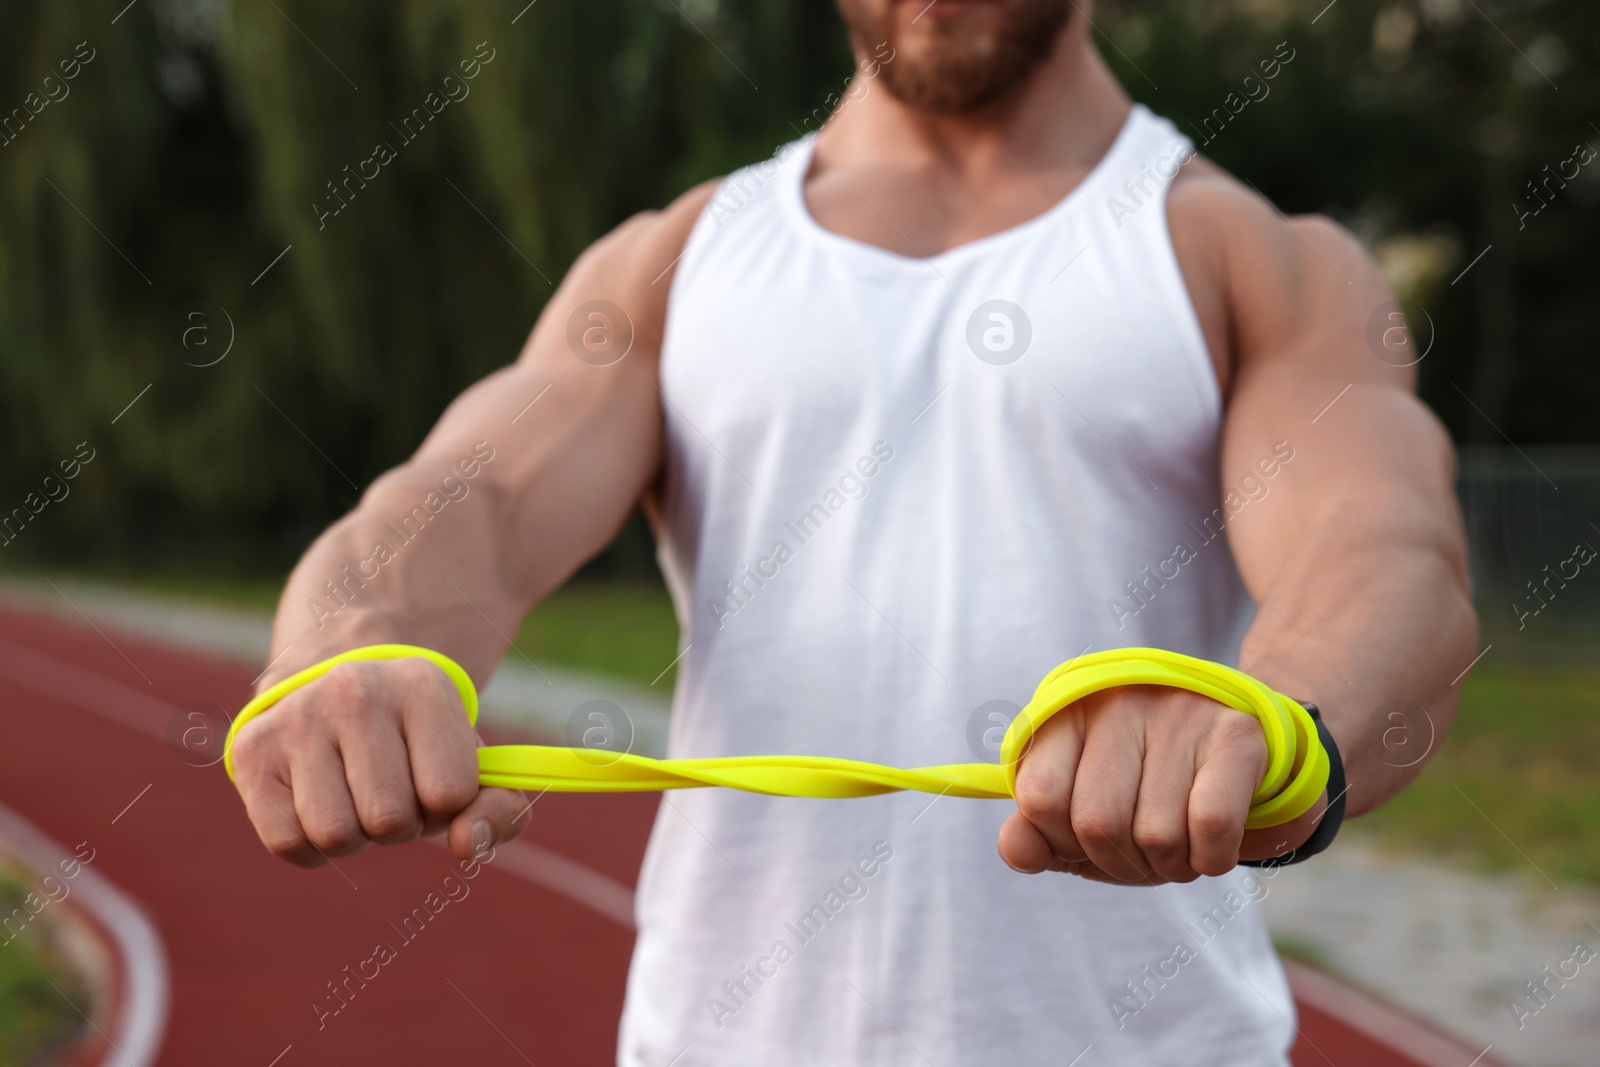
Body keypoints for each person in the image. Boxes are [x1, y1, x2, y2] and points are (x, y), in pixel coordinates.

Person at [228, 1, 1478, 1063]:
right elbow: (472, 501)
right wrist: (352, 636)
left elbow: (1380, 551)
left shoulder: (1257, 258)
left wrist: (1279, 719)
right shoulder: (673, 263)